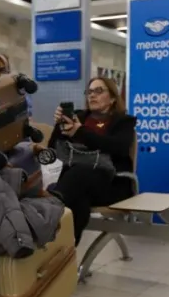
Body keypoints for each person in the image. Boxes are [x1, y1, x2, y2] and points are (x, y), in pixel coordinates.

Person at [44, 77, 135, 244]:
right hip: (77, 185)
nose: (92, 95)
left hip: (113, 183)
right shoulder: (79, 116)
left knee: (77, 177)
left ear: (113, 98)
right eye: (90, 92)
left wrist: (80, 132)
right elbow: (54, 149)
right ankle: (67, 251)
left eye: (99, 91)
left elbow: (117, 147)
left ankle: (59, 245)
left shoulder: (124, 122)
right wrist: (58, 126)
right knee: (79, 202)